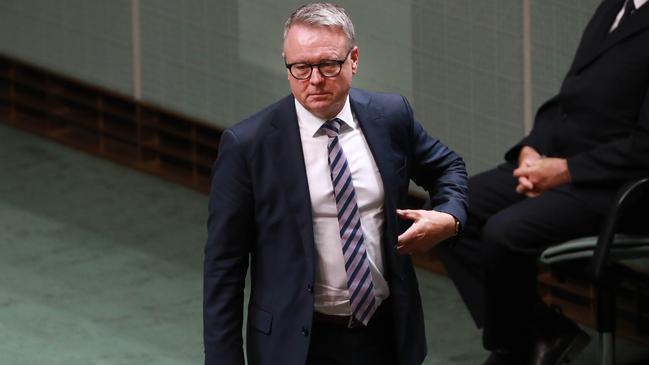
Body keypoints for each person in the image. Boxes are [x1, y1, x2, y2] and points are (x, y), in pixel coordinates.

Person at [203, 3, 468, 365]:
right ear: (287, 63)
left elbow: (448, 167)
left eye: (328, 65)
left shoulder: (390, 117)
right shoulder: (248, 145)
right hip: (297, 344)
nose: (314, 79)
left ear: (353, 59)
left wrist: (449, 218)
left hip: (385, 333)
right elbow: (224, 267)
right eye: (300, 67)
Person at [436, 0, 649, 364]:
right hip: (561, 163)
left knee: (505, 233)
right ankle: (541, 333)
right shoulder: (615, 5)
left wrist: (566, 170)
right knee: (448, 216)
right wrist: (532, 148)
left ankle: (515, 349)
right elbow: (571, 97)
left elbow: (644, 147)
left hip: (618, 187)